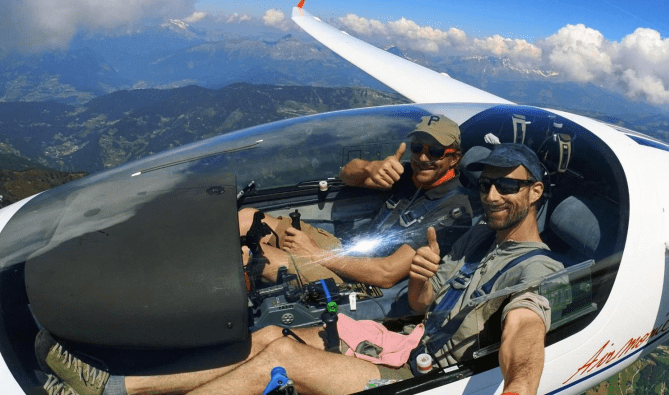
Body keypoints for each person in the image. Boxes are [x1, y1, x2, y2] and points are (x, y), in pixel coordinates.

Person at [39, 144, 563, 395]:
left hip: (412, 374)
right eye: (486, 184)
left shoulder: (535, 271)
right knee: (269, 334)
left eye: (508, 185)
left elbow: (524, 347)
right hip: (400, 340)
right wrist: (423, 279)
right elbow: (424, 306)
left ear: (535, 192)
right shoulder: (477, 236)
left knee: (281, 359)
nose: (492, 194)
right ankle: (112, 385)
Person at [240, 114, 473, 288]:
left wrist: (315, 255)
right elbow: (346, 173)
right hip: (349, 252)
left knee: (252, 255)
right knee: (247, 217)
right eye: (417, 148)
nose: (423, 157)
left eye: (435, 152)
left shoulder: (453, 209)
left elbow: (387, 274)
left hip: (362, 282)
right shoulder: (407, 175)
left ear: (454, 159)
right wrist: (371, 168)